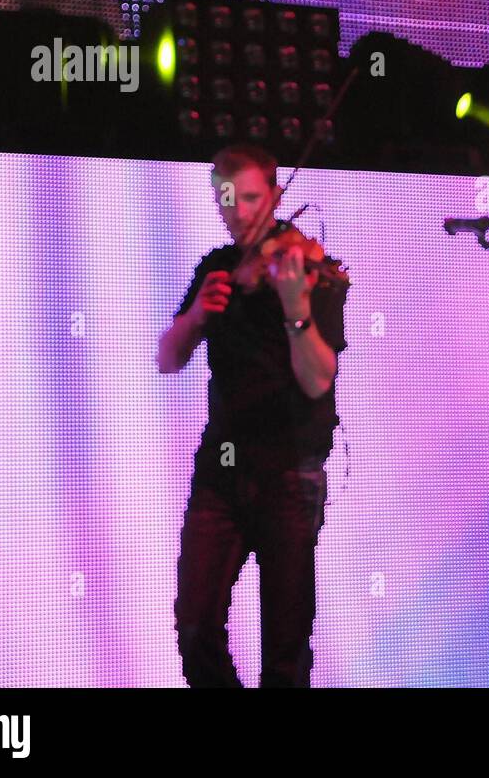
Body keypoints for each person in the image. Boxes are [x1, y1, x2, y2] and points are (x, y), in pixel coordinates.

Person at [157, 143, 348, 687]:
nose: (238, 212)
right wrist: (194, 316)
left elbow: (317, 379)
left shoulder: (314, 272)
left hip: (290, 471)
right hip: (221, 471)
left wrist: (294, 310)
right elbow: (167, 359)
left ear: (276, 195)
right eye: (226, 198)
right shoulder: (216, 268)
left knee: (285, 652)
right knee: (194, 627)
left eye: (250, 198)